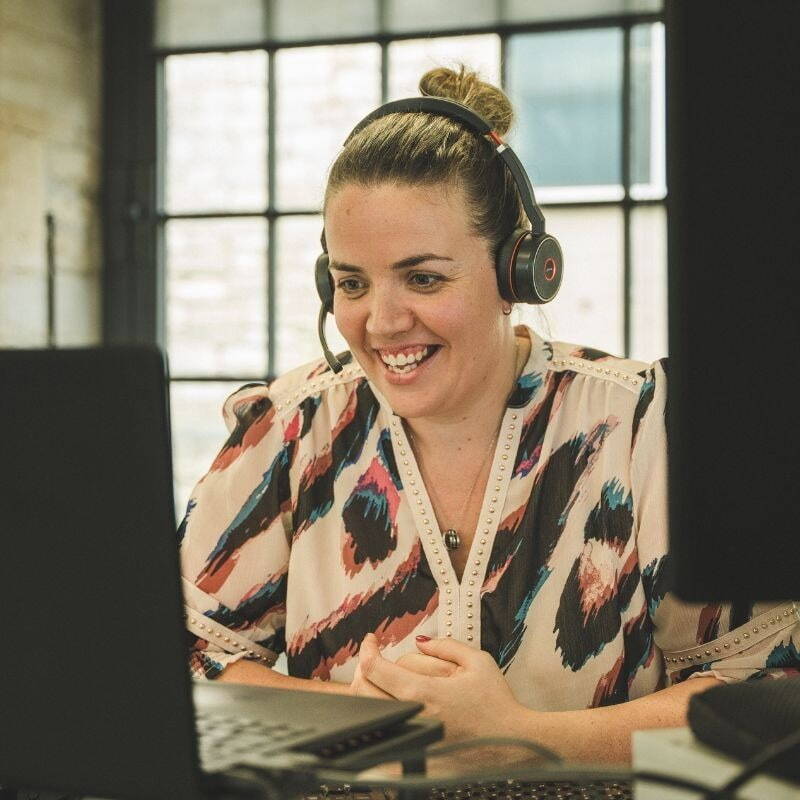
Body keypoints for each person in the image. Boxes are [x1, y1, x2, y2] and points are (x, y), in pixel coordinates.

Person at [179, 66, 799, 764]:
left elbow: (769, 696)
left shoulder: (642, 427)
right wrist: (358, 718)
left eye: (424, 278)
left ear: (519, 274)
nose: (380, 322)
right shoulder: (291, 428)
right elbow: (187, 655)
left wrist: (526, 740)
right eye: (351, 282)